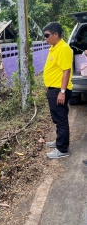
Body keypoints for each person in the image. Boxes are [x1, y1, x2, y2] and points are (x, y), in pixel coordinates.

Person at [43, 22, 73, 159]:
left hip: (59, 91)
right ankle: (59, 141)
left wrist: (62, 91)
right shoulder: (54, 48)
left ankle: (62, 149)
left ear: (56, 34)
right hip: (53, 89)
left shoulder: (63, 48)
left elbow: (66, 71)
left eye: (47, 35)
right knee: (57, 118)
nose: (45, 38)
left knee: (61, 119)